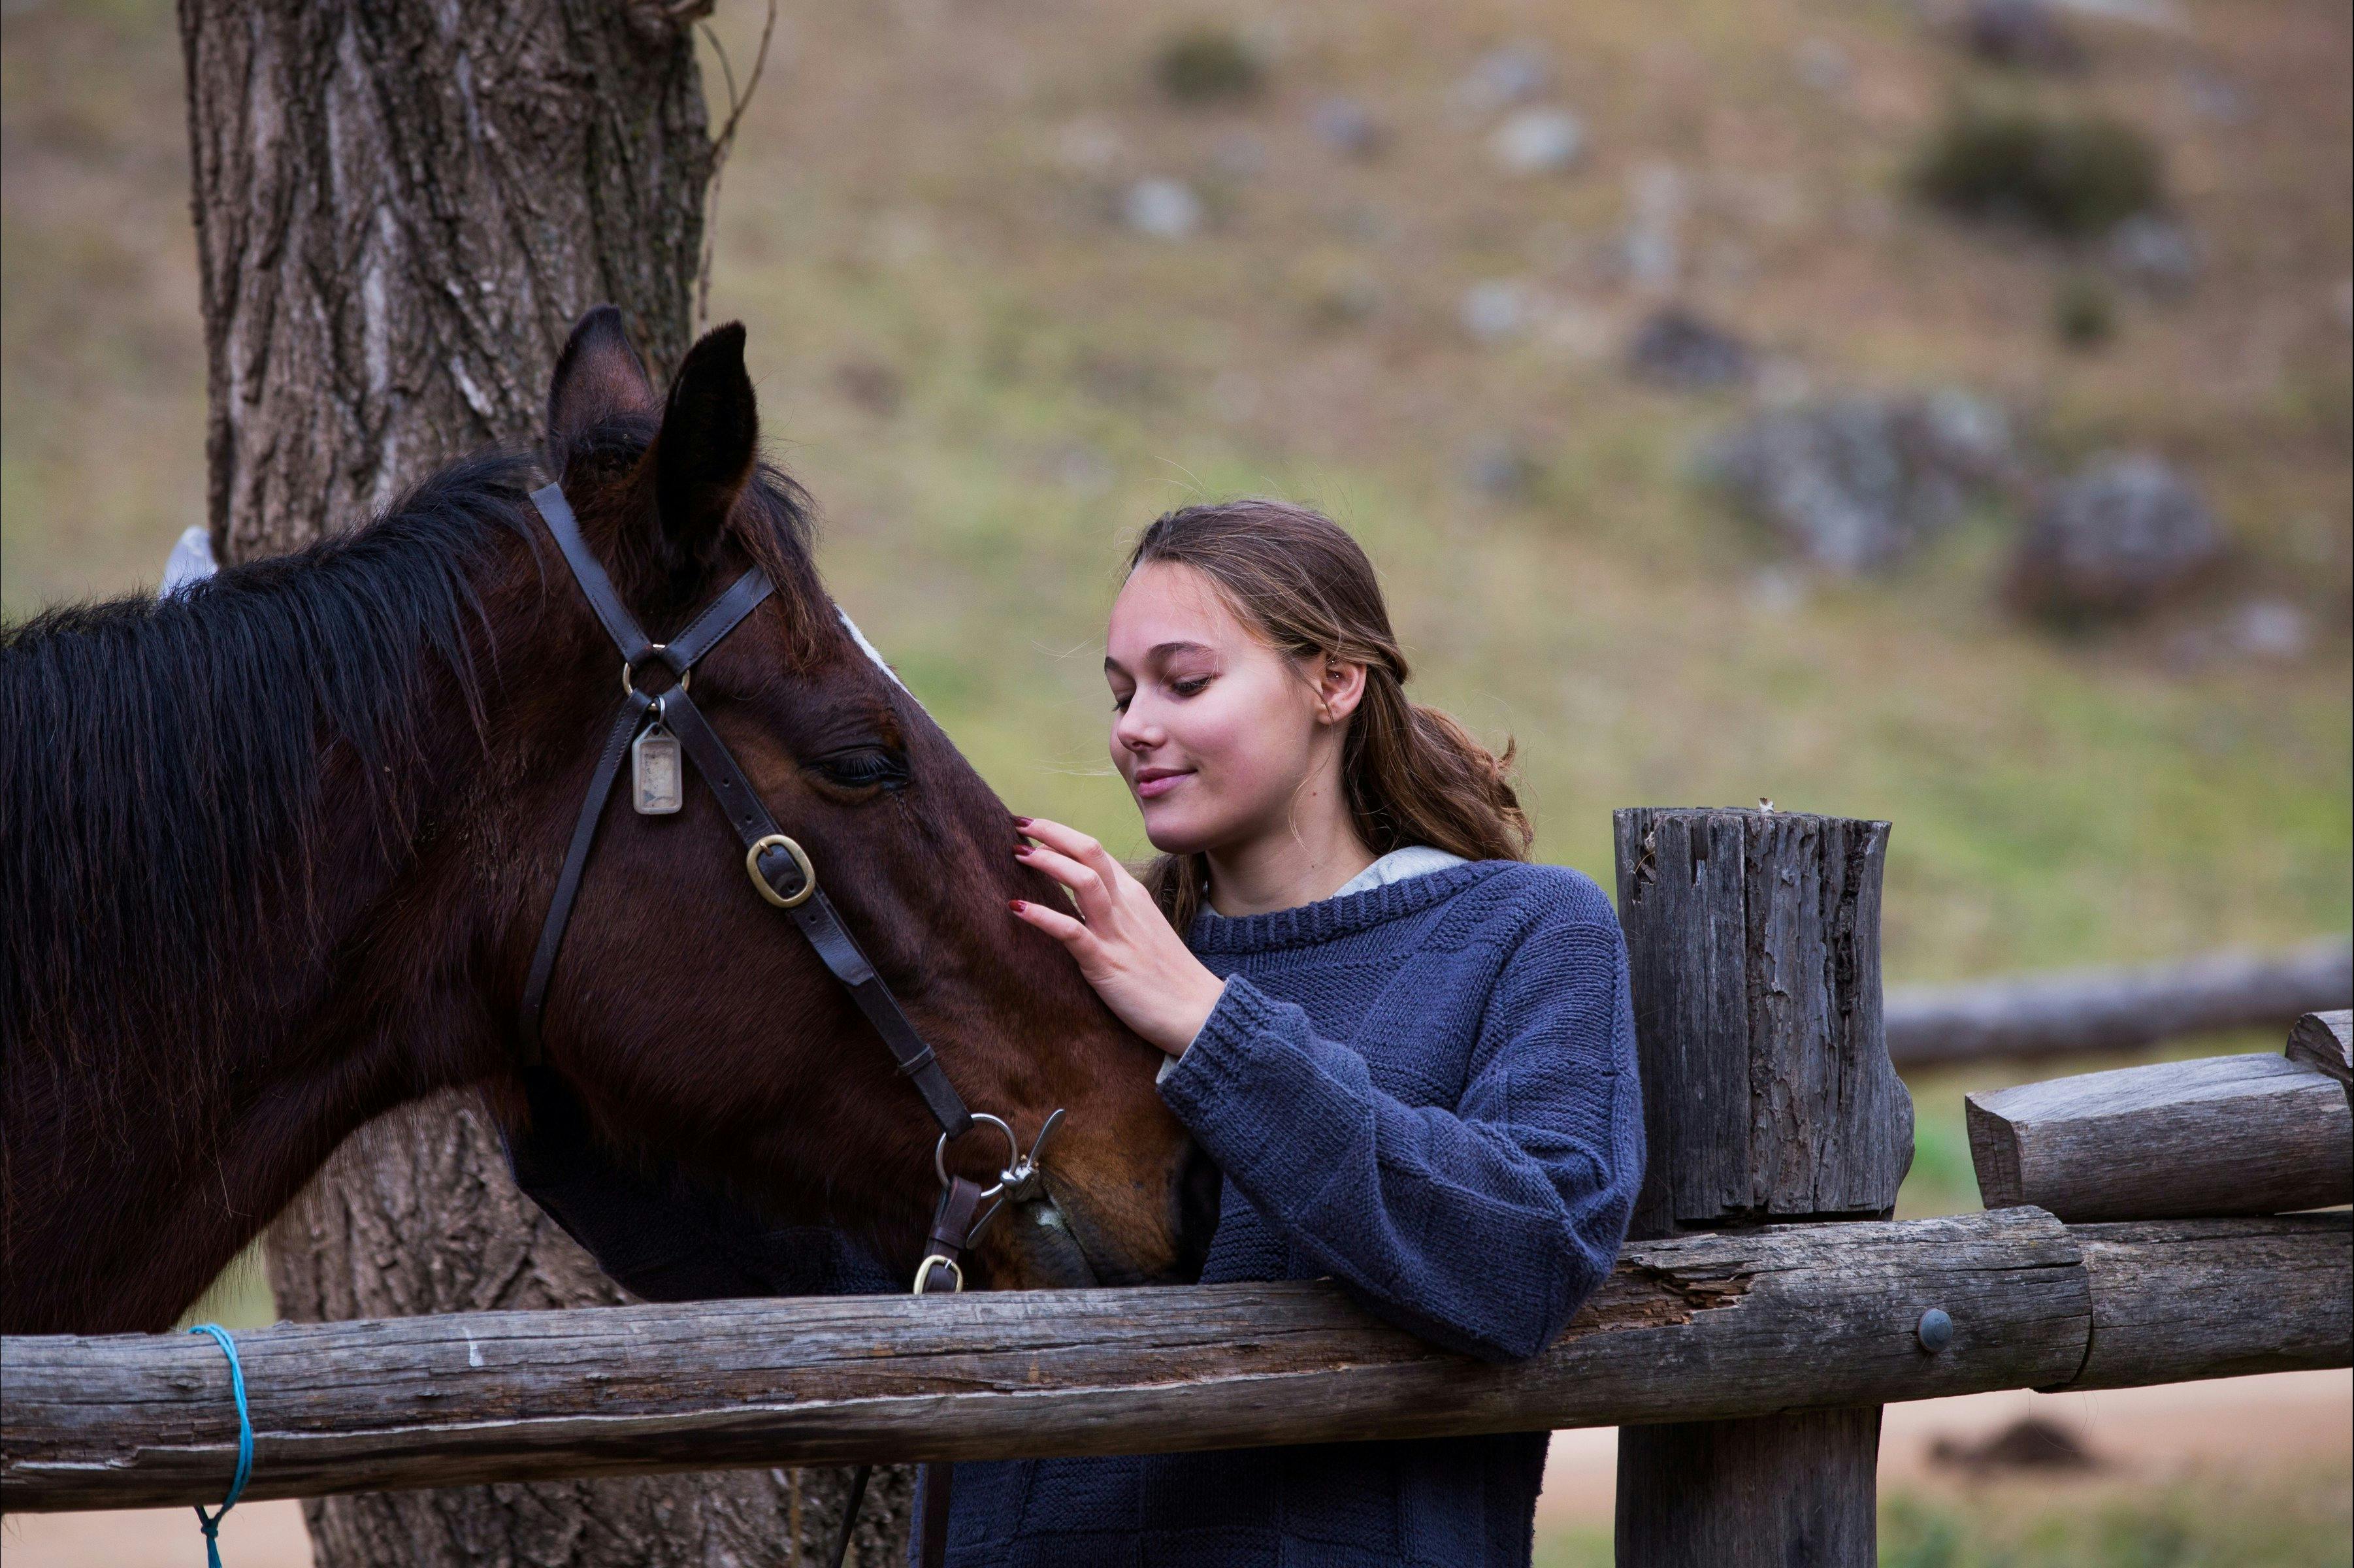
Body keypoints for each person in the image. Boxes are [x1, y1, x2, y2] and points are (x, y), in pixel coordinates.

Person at [506, 497, 1644, 1568]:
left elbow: (1523, 1262)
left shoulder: (1521, 933)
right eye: (1120, 695)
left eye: (1184, 683)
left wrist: (1207, 1027)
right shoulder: (1063, 970)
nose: (1135, 730)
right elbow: (870, 1276)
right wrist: (570, 1102)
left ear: (1335, 681)